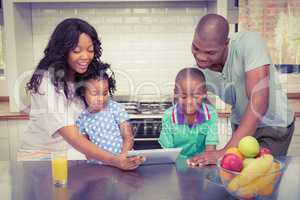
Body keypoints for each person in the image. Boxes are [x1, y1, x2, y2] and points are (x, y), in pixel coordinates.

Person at [19, 18, 144, 170]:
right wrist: (115, 160)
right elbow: (73, 136)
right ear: (62, 51)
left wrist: (123, 149)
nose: (85, 56)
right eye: (77, 51)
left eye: (90, 50)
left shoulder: (84, 74)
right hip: (41, 159)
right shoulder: (47, 81)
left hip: (71, 156)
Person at [188, 14, 295, 166]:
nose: (200, 57)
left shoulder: (249, 43)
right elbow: (197, 109)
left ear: (226, 43)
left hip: (273, 126)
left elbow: (259, 102)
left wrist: (224, 151)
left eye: (210, 53)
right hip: (241, 124)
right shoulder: (201, 71)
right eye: (195, 48)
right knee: (237, 178)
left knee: (258, 177)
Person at [75, 62, 134, 164]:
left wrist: (123, 158)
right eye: (95, 93)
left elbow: (128, 136)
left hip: (124, 161)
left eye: (105, 93)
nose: (101, 98)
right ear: (83, 92)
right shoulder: (82, 118)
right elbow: (86, 147)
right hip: (99, 166)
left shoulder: (115, 108)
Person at [158, 67, 219, 158]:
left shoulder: (211, 114)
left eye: (195, 97)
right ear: (175, 94)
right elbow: (168, 153)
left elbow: (210, 151)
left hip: (201, 163)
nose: (189, 102)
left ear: (204, 94)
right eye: (183, 97)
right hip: (176, 163)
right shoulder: (169, 116)